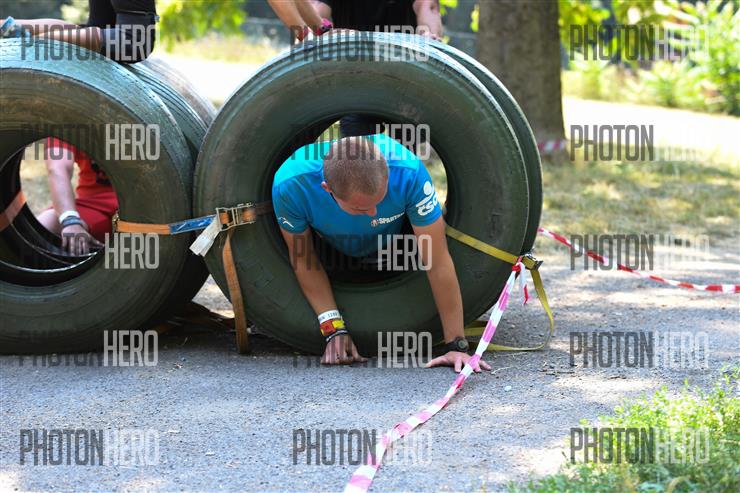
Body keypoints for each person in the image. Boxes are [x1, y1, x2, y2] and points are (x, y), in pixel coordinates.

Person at [272, 134, 491, 373]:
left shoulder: (408, 173)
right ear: (327, 189)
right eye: (361, 208)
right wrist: (333, 329)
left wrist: (456, 345)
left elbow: (437, 259)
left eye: (381, 199)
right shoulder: (291, 185)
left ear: (387, 173)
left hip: (398, 244)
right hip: (332, 251)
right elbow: (304, 260)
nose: (373, 213)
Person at [1, 0, 158, 63]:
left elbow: (131, 42)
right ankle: (16, 35)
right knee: (95, 28)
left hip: (131, 41)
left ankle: (22, 40)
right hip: (114, 32)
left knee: (128, 40)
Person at [36, 139, 118, 256]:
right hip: (96, 204)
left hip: (140, 202)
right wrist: (70, 220)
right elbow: (58, 168)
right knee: (44, 225)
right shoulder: (72, 127)